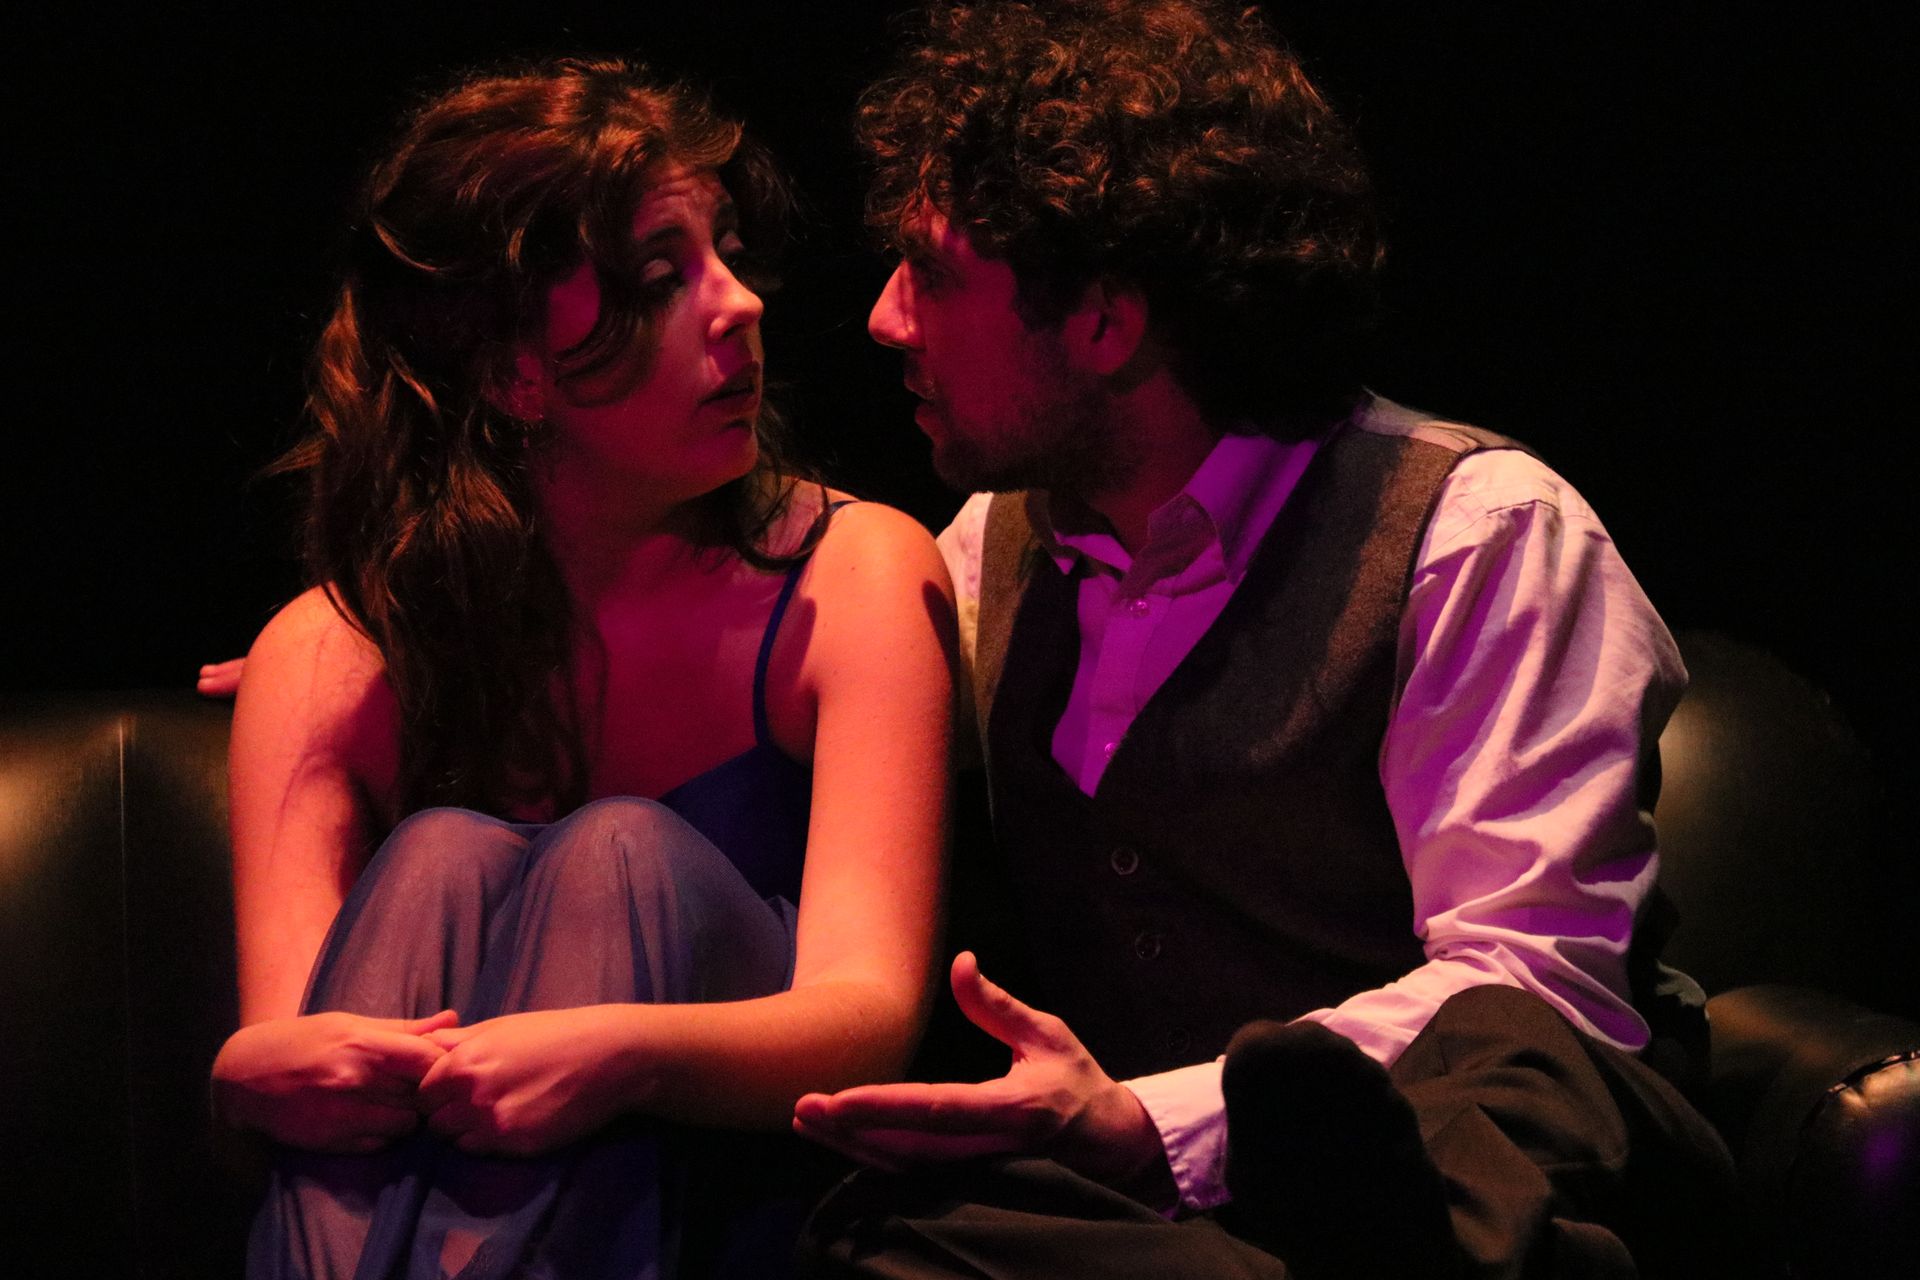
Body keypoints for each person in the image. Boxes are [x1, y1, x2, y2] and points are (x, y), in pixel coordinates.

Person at [792, 2, 1735, 1276]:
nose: (885, 319)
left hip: (1481, 1181)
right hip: (1179, 1227)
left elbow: (1540, 990)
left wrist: (1161, 1124)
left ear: (1106, 323)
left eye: (934, 274)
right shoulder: (983, 555)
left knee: (1500, 1074)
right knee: (881, 1233)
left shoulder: (1473, 535)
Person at [207, 58, 952, 1279]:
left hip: (746, 1214)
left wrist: (626, 1050)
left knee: (619, 855)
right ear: (516, 372)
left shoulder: (849, 573)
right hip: (405, 1228)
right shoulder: (332, 652)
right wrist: (254, 1067)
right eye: (662, 280)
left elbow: (866, 1016)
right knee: (441, 857)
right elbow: (297, 1056)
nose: (741, 305)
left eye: (727, 254)